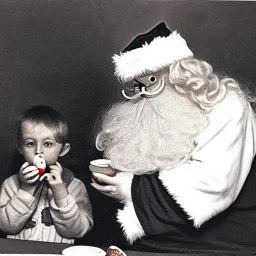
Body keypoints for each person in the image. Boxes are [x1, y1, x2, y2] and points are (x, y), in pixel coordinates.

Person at [89, 22, 256, 253]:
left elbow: (213, 180)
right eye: (137, 86)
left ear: (181, 73)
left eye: (152, 82)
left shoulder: (227, 104)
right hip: (156, 239)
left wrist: (131, 189)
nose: (143, 93)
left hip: (221, 243)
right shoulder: (148, 110)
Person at [0, 105, 93, 244]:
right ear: (20, 147)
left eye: (48, 144)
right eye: (30, 143)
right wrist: (25, 189)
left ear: (63, 149)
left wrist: (60, 193)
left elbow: (78, 231)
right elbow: (6, 227)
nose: (38, 151)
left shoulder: (75, 186)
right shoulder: (11, 184)